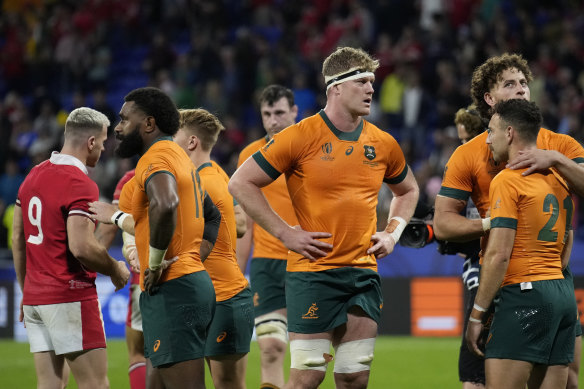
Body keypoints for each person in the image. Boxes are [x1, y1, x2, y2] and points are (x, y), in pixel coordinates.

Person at [229, 47, 419, 389]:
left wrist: (392, 232)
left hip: (363, 272)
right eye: (362, 81)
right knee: (307, 378)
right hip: (313, 273)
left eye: (372, 82)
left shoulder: (384, 142)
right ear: (335, 87)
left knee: (355, 377)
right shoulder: (299, 136)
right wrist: (285, 233)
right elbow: (240, 183)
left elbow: (408, 191)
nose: (371, 89)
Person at [434, 53, 584, 389]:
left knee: (570, 378)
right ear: (489, 98)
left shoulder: (560, 145)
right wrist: (493, 225)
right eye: (509, 84)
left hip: (547, 275)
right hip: (504, 276)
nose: (520, 90)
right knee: (478, 379)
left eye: (523, 83)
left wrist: (556, 159)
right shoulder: (469, 153)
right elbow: (443, 226)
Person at [11, 107, 130, 389]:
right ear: (90, 142)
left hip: (36, 298)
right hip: (69, 294)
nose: (101, 151)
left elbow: (18, 237)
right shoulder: (79, 182)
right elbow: (81, 247)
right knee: (95, 384)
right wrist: (115, 269)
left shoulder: (33, 176)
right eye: (101, 144)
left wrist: (26, 290)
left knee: (50, 384)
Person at [112, 87, 221, 389]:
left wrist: (156, 264)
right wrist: (195, 256)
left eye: (124, 120)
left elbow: (166, 203)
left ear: (148, 124)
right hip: (186, 282)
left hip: (174, 288)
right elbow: (213, 216)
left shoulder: (156, 157)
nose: (118, 128)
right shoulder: (180, 157)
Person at [466, 99, 577, 389]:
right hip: (562, 293)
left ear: (510, 133)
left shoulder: (508, 179)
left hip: (526, 295)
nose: (488, 139)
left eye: (491, 131)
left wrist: (478, 314)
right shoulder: (560, 177)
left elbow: (498, 255)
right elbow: (569, 239)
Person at [174, 108, 253, 388]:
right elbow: (241, 225)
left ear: (191, 142)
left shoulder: (198, 183)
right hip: (218, 297)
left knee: (226, 384)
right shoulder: (218, 173)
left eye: (175, 136)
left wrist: (118, 217)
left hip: (223, 298)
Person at [236, 84, 299, 389]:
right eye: (267, 114)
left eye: (280, 113)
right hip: (266, 265)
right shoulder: (250, 156)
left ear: (294, 112)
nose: (273, 120)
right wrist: (236, 271)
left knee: (307, 356)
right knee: (271, 347)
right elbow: (245, 221)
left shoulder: (312, 150)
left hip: (309, 262)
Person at [94, 168, 147, 389]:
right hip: (189, 276)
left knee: (138, 353)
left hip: (145, 278)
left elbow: (108, 231)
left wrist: (87, 262)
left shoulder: (131, 179)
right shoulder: (190, 171)